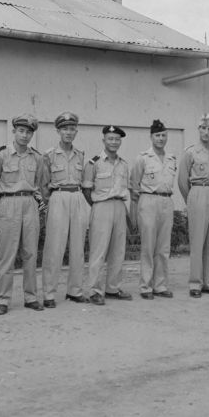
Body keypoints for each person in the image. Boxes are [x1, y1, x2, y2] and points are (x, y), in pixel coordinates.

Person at [0, 114, 45, 315]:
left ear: (32, 135)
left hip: (30, 203)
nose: (24, 135)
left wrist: (32, 199)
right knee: (7, 254)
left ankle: (31, 297)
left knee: (30, 253)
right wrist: (6, 202)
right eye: (21, 131)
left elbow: (40, 182)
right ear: (14, 132)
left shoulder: (37, 157)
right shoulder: (1, 155)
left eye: (29, 132)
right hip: (8, 203)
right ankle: (2, 300)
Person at [40, 112, 89, 307]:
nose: (69, 132)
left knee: (78, 247)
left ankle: (75, 291)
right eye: (65, 129)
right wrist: (48, 204)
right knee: (54, 247)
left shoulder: (80, 154)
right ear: (58, 131)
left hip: (77, 197)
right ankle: (49, 293)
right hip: (58, 197)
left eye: (72, 129)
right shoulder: (49, 155)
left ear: (76, 131)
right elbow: (43, 184)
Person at [82, 125, 132, 305]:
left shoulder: (124, 164)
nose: (114, 142)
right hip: (101, 206)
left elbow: (126, 188)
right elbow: (86, 189)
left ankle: (113, 288)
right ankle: (95, 290)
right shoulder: (93, 163)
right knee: (98, 250)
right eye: (110, 138)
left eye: (117, 139)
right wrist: (98, 205)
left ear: (120, 142)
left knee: (118, 250)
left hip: (119, 205)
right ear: (103, 141)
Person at [178, 113, 209, 298]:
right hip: (197, 192)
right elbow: (182, 180)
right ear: (198, 129)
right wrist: (191, 199)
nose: (206, 132)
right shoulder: (190, 152)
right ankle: (195, 283)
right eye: (203, 128)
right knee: (197, 241)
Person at [130, 119, 177, 300]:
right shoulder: (142, 158)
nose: (160, 139)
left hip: (166, 201)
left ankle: (160, 285)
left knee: (163, 247)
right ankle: (145, 286)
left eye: (163, 135)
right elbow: (134, 185)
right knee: (148, 246)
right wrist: (138, 206)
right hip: (148, 200)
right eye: (157, 135)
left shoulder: (172, 158)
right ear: (151, 137)